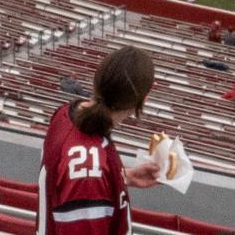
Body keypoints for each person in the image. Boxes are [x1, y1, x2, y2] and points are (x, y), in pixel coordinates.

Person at [42, 46, 160, 235]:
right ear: (144, 98)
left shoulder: (66, 113)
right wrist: (98, 175)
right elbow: (84, 179)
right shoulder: (88, 169)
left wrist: (123, 177)